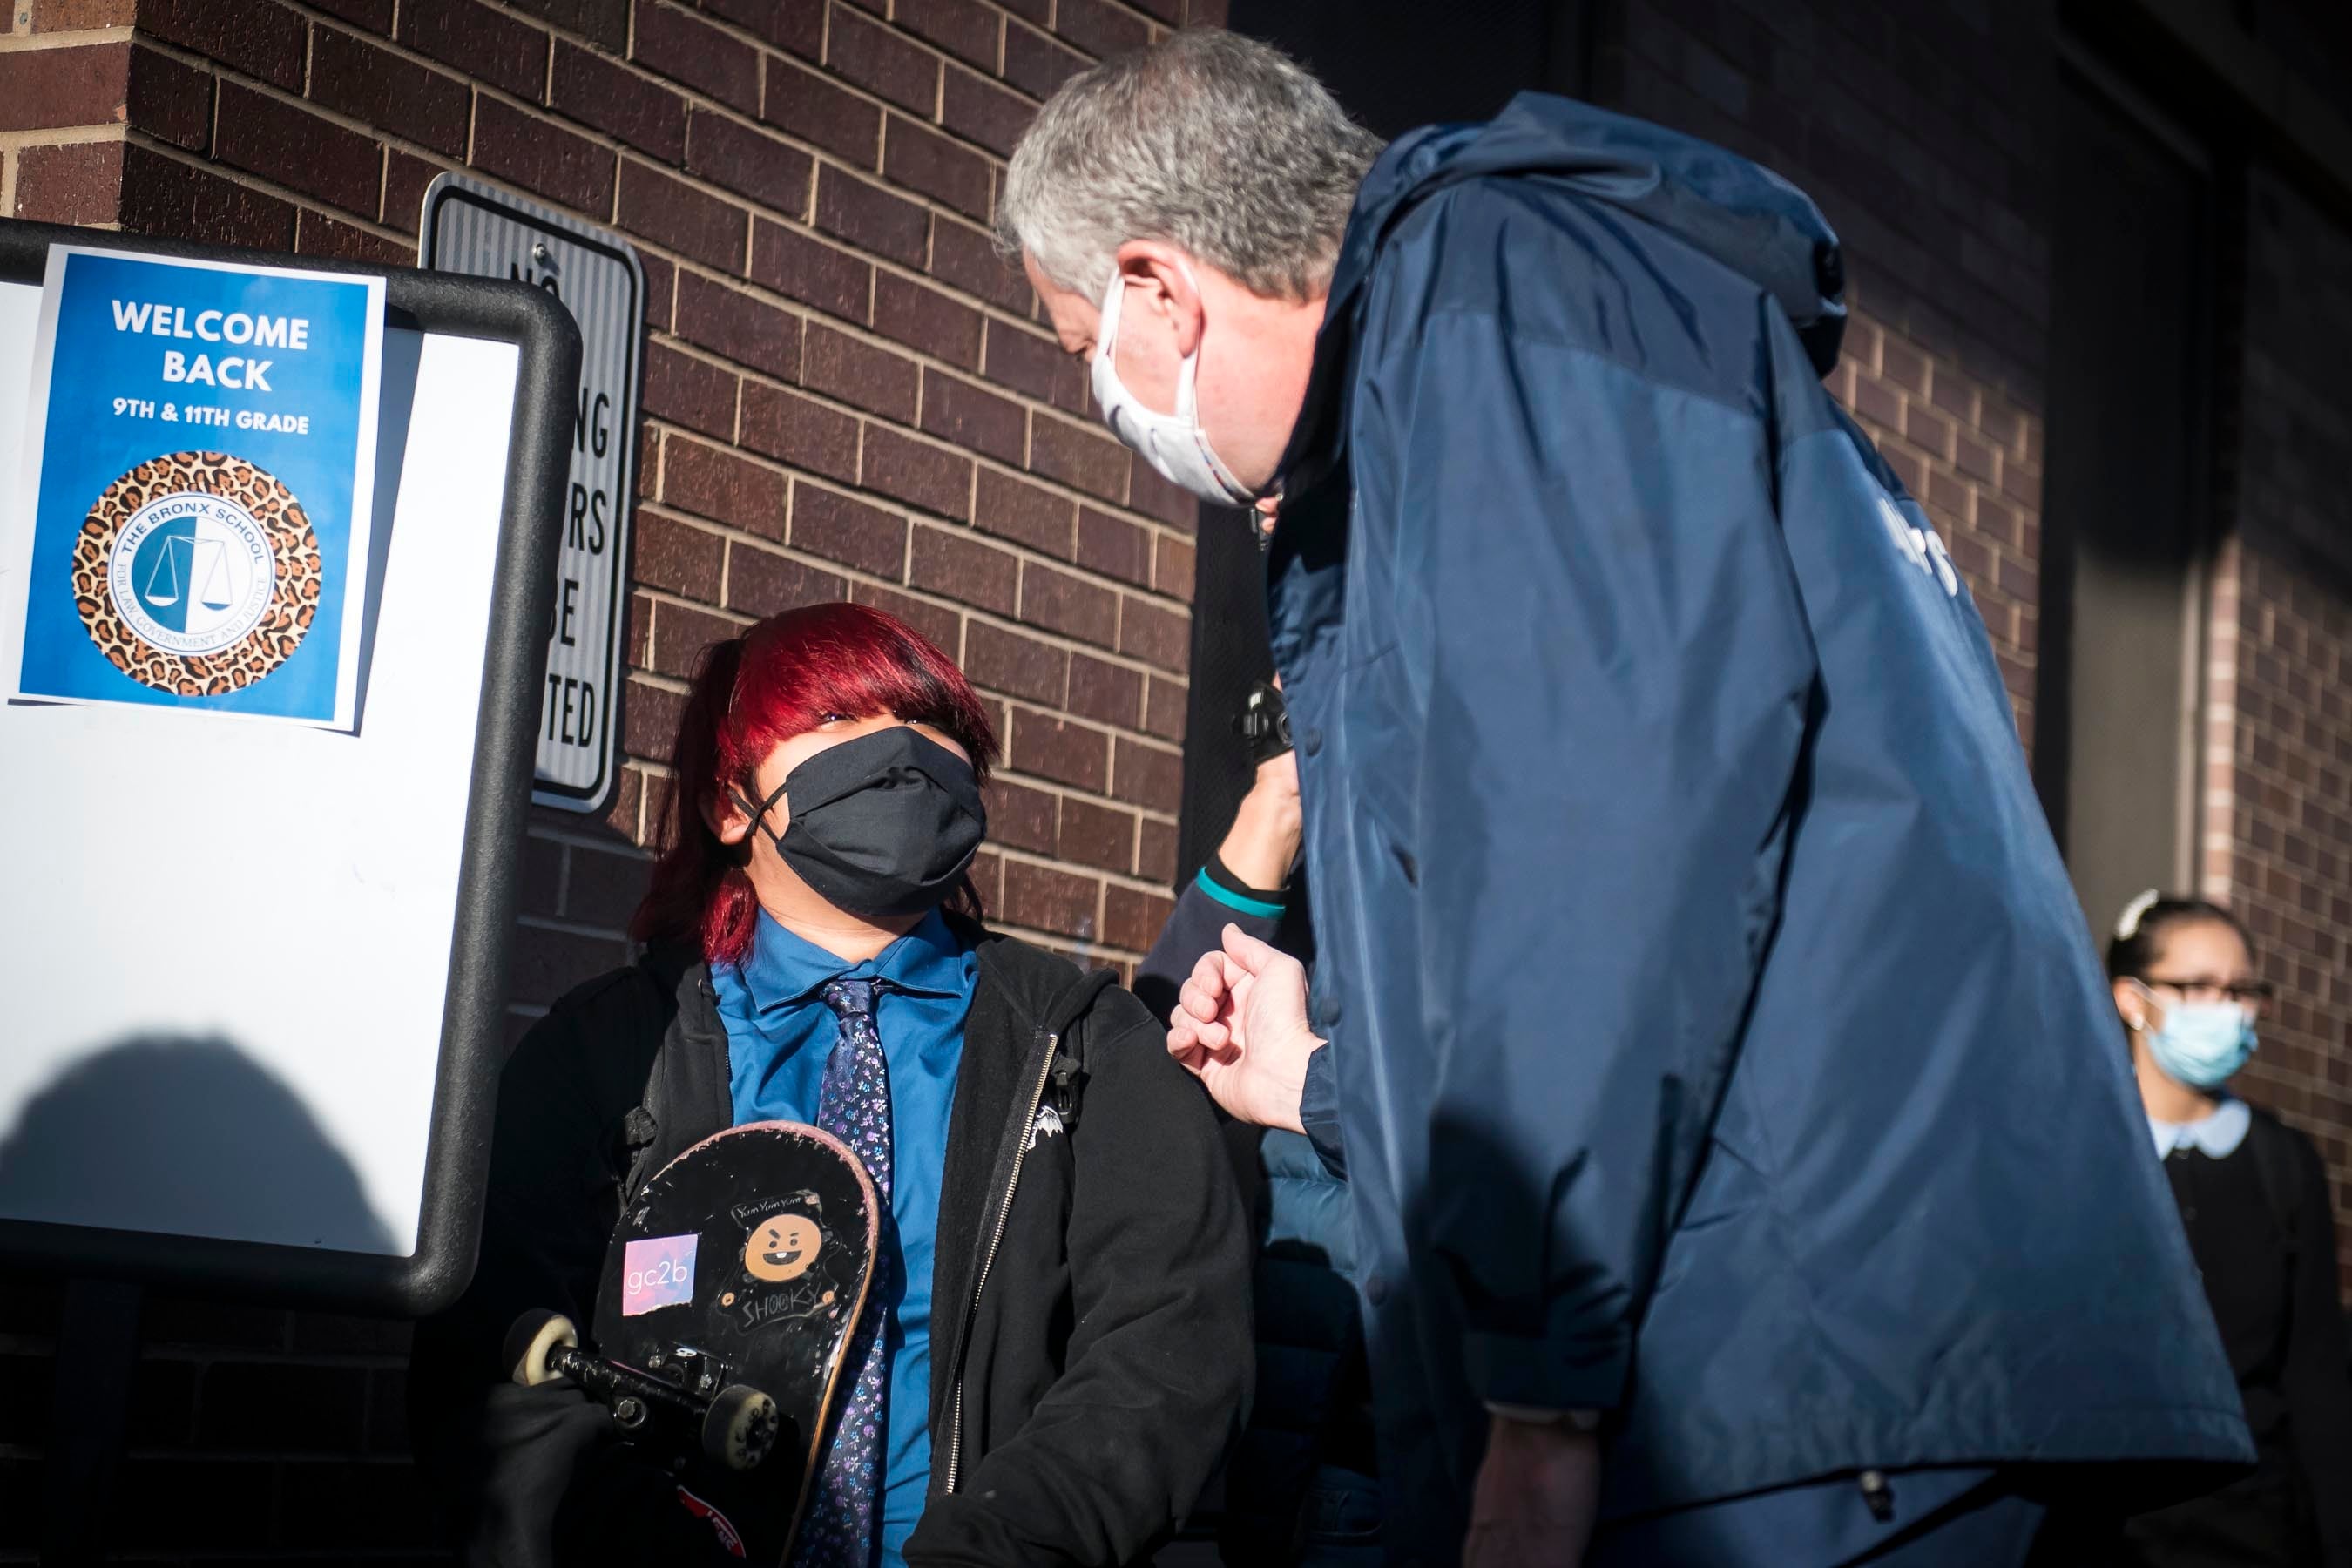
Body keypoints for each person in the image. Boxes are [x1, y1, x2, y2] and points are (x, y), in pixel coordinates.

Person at [998, 29, 2254, 1567]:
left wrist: (1537, 1410)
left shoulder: (1488, 298)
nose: (1106, 402)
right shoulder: (1559, 327)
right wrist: (1330, 1079)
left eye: (1075, 349)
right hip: (1839, 1359)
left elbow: (1591, 875)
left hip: (1778, 1383)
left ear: (1157, 286)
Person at [409, 602, 1251, 1567]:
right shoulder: (604, 1053)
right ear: (732, 803)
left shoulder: (1088, 1042)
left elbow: (1169, 1349)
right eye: (839, 722)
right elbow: (493, 1365)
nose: (901, 749)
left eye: (936, 726)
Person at [1132, 680, 1378, 1566]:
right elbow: (1162, 1052)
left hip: (1404, 1434)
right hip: (1286, 1428)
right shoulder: (1337, 846)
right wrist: (1278, 795)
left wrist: (1306, 1086)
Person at [2107, 891, 2352, 1567]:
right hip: (2106, 1523)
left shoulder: (2282, 1164)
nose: (2225, 1007)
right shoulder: (2085, 1155)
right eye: (2196, 987)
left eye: (2241, 990)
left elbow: (2315, 1372)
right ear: (2133, 1000)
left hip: (2252, 1526)